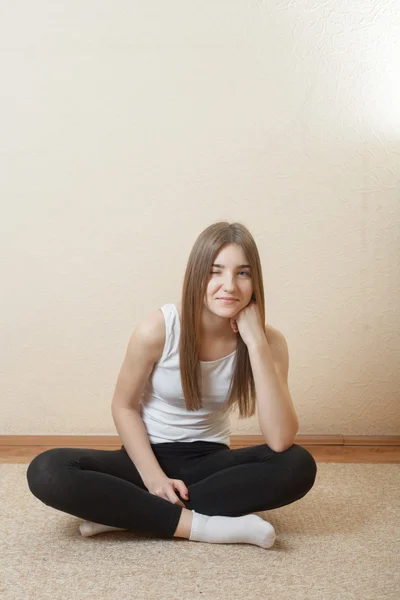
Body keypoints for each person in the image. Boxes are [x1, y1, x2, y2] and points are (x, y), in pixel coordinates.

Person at [26, 221, 317, 550]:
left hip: (210, 465)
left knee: (298, 465)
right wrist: (153, 479)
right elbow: (123, 406)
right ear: (196, 276)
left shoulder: (270, 342)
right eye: (215, 271)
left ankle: (129, 515)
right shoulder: (159, 328)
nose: (229, 286)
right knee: (47, 470)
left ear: (255, 282)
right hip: (146, 459)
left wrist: (256, 342)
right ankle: (204, 526)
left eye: (243, 273)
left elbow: (279, 440)